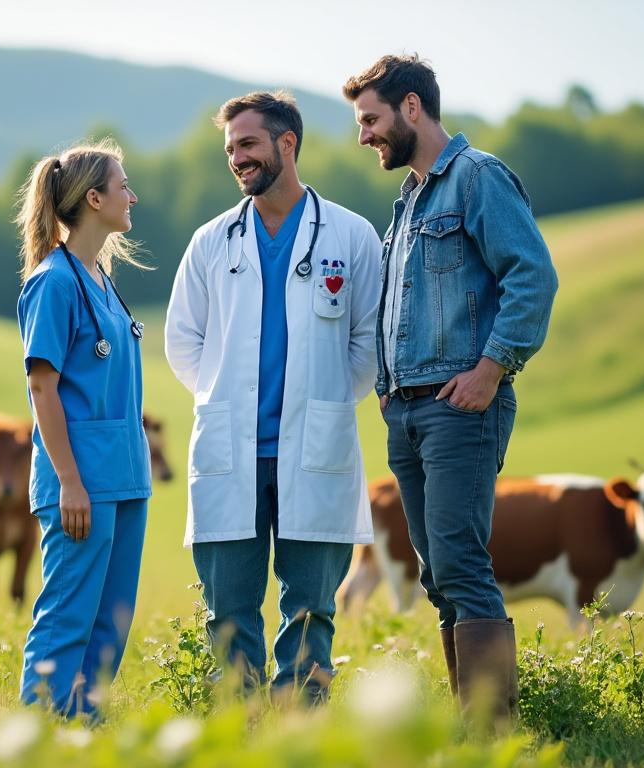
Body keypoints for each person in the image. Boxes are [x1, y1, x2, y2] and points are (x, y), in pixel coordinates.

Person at [342, 55, 558, 719]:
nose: (364, 136)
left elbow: (533, 278)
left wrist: (492, 368)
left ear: (412, 107)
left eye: (371, 119)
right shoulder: (408, 199)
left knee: (461, 562)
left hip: (460, 408)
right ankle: (477, 720)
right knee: (436, 571)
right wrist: (386, 387)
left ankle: (494, 729)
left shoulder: (477, 178)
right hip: (406, 413)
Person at [164, 91, 381, 705]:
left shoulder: (350, 234)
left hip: (317, 446)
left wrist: (330, 401)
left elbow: (369, 341)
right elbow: (183, 341)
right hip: (232, 448)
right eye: (231, 148)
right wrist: (225, 395)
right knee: (228, 613)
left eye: (248, 144)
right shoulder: (212, 242)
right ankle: (240, 730)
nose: (237, 158)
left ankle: (301, 729)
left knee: (311, 610)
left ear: (287, 144)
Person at [15, 140, 152, 720]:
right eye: (123, 186)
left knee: (110, 623)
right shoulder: (54, 282)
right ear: (94, 199)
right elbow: (42, 389)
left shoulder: (101, 279)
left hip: (124, 477)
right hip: (81, 483)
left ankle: (82, 730)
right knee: (68, 616)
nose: (132, 196)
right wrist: (69, 482)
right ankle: (38, 734)